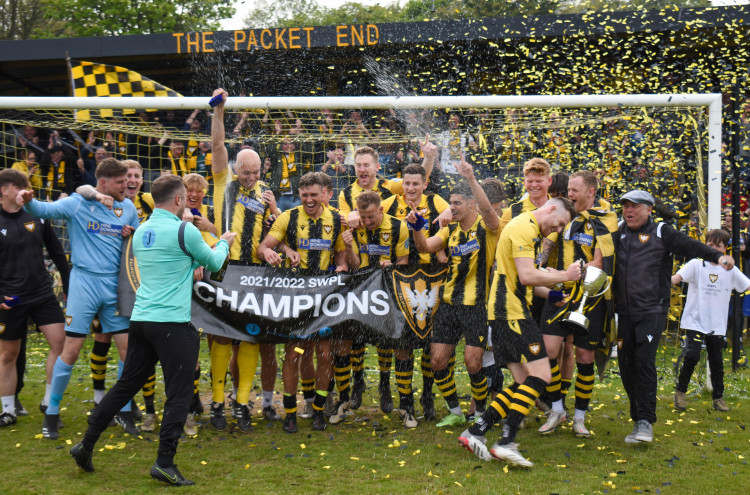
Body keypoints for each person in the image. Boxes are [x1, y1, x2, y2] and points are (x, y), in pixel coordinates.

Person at [69, 174, 235, 486]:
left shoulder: (143, 230)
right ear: (179, 199)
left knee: (124, 386)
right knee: (178, 394)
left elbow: (174, 263)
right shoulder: (184, 230)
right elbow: (213, 263)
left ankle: (86, 444)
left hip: (141, 320)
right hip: (172, 322)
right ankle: (164, 462)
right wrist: (224, 241)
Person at [17, 157, 140, 439]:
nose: (127, 186)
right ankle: (51, 412)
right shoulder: (78, 203)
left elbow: (132, 244)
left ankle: (122, 410)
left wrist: (129, 235)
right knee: (71, 350)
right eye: (121, 182)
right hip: (85, 283)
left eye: (128, 181)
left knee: (127, 349)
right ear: (104, 182)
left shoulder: (128, 208)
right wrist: (28, 201)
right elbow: (43, 209)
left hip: (115, 285)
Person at [458, 196, 580, 467]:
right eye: (559, 223)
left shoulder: (527, 228)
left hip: (504, 314)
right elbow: (526, 276)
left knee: (524, 382)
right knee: (542, 376)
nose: (558, 230)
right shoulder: (524, 227)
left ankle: (476, 432)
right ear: (550, 209)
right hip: (512, 314)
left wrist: (551, 294)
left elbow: (520, 277)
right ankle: (506, 442)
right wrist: (565, 275)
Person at [614, 189, 734, 444]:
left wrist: (717, 256)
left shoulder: (661, 232)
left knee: (644, 360)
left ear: (649, 209)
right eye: (626, 206)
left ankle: (646, 422)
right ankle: (638, 420)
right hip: (624, 312)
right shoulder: (618, 231)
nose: (629, 210)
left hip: (652, 311)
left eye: (635, 206)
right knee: (626, 366)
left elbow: (691, 246)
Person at [257, 172, 356, 433]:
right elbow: (263, 248)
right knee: (294, 354)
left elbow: (341, 258)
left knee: (325, 354)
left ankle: (318, 410)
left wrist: (342, 265)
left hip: (324, 301)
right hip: (296, 300)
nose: (309, 200)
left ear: (325, 194)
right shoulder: (288, 217)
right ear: (299, 195)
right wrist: (281, 250)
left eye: (314, 194)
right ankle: (290, 412)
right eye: (304, 195)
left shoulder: (336, 219)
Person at [408, 157, 500, 428]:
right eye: (451, 203)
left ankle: (480, 411)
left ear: (472, 204)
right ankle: (455, 410)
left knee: (473, 364)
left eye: (457, 203)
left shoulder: (487, 228)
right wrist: (416, 229)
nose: (452, 207)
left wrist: (471, 177)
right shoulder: (450, 232)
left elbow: (490, 213)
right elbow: (425, 246)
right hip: (448, 304)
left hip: (476, 306)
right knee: (437, 361)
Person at [210, 88, 282, 428]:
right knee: (222, 337)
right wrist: (220, 112)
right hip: (225, 270)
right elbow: (218, 147)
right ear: (237, 168)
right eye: (246, 172)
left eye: (254, 172)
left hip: (254, 273)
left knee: (251, 335)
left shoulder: (264, 192)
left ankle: (241, 404)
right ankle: (216, 404)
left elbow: (274, 231)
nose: (250, 177)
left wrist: (273, 213)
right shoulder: (225, 182)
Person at [537, 170, 619, 437]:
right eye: (568, 190)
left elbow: (602, 261)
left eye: (574, 190)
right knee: (549, 351)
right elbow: (545, 245)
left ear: (590, 192)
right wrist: (544, 269)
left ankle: (580, 417)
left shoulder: (605, 219)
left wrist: (577, 271)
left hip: (589, 297)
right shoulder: (564, 215)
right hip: (559, 293)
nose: (568, 195)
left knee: (585, 357)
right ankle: (557, 409)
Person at [329, 191, 410, 426]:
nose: (367, 222)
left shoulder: (398, 227)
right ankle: (353, 388)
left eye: (371, 217)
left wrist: (391, 265)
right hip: (358, 291)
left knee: (387, 340)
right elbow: (353, 265)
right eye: (363, 217)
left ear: (381, 210)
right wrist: (349, 246)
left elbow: (404, 264)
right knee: (350, 341)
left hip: (386, 292)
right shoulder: (354, 228)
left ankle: (385, 386)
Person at [379, 163, 450, 420]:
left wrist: (448, 217)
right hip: (400, 283)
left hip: (432, 282)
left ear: (424, 184)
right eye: (406, 183)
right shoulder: (389, 204)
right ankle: (405, 402)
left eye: (415, 184)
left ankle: (427, 395)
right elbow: (369, 216)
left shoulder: (435, 201)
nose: (410, 188)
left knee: (431, 343)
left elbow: (455, 211)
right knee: (403, 345)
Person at [0, 169, 68, 427]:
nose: (22, 192)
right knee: (8, 354)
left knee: (60, 343)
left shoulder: (36, 216)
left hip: (42, 293)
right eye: (16, 188)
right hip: (12, 298)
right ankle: (8, 410)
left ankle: (49, 402)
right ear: (3, 191)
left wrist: (69, 284)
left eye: (24, 187)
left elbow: (57, 252)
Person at [672, 229, 750, 412]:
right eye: (710, 245)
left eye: (718, 246)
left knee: (717, 361)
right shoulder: (695, 265)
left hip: (716, 324)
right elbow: (676, 278)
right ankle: (680, 392)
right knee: (692, 356)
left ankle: (718, 398)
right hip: (694, 320)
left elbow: (746, 285)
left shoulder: (730, 270)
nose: (713, 248)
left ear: (724, 249)